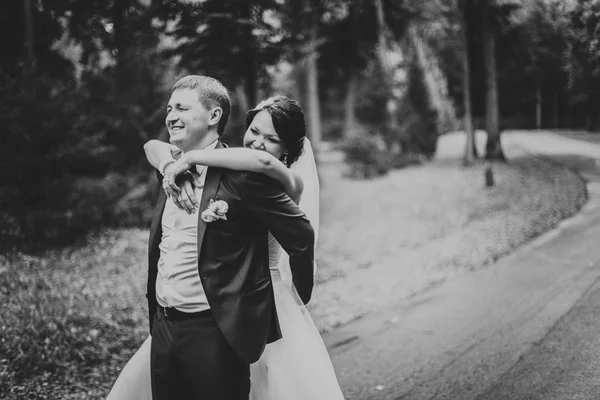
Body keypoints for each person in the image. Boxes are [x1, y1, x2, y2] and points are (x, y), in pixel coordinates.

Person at [106, 75, 316, 400]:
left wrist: (301, 295)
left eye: (182, 108)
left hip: (214, 330)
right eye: (169, 108)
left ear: (214, 116)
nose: (171, 115)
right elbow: (152, 146)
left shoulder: (247, 177)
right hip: (163, 324)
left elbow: (300, 234)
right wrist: (169, 165)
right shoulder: (170, 166)